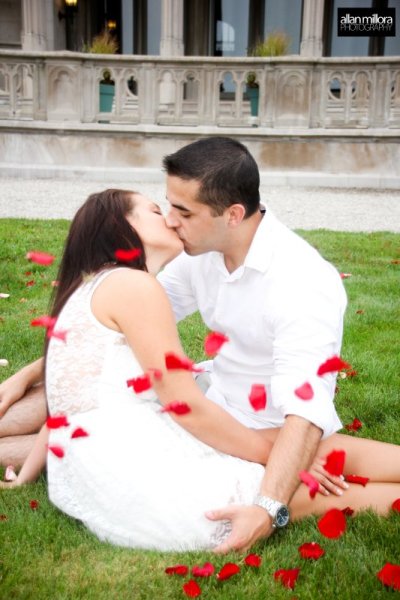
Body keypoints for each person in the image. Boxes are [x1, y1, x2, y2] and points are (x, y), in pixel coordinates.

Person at [1, 139, 400, 553]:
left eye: (183, 212)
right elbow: (102, 344)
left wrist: (270, 499)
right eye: (166, 206)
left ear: (232, 215)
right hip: (212, 403)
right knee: (78, 394)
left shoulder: (302, 282)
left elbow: (306, 412)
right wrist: (27, 374)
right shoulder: (198, 254)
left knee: (336, 458)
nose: (172, 222)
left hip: (267, 421)